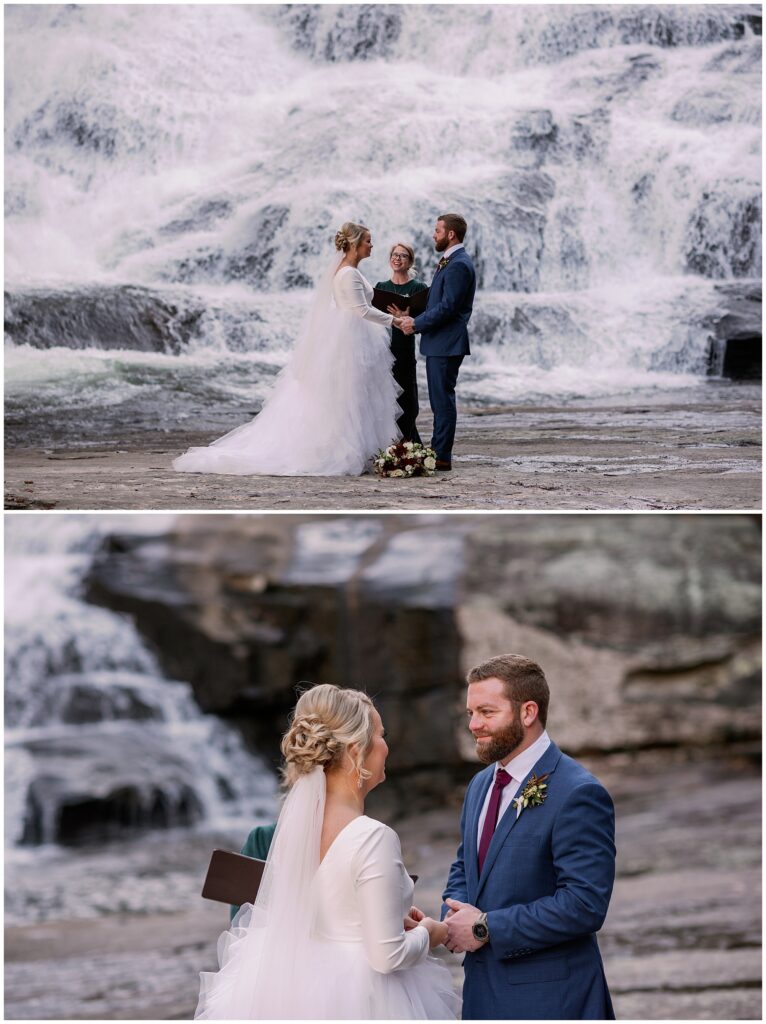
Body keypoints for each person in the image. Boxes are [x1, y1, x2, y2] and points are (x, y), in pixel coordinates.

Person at [196, 684, 459, 1019]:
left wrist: (387, 917)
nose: (386, 746)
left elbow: (323, 910)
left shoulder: (294, 835)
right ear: (355, 752)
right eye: (380, 735)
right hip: (365, 1001)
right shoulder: (372, 837)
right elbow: (387, 956)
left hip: (297, 993)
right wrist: (430, 932)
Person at [442, 654, 616, 1020]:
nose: (474, 724)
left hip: (553, 1002)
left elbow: (584, 904)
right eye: (470, 713)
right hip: (481, 996)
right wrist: (450, 918)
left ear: (528, 712)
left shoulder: (578, 792)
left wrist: (485, 927)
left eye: (487, 712)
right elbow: (465, 866)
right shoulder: (480, 784)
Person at [173, 223, 403, 477]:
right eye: (368, 241)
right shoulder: (348, 273)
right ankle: (341, 450)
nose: (372, 245)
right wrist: (396, 320)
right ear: (355, 244)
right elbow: (361, 310)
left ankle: (355, 449)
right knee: (348, 394)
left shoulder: (348, 270)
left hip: (349, 334)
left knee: (351, 394)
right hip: (352, 337)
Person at [400, 214, 476, 472]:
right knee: (439, 400)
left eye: (437, 230)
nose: (433, 235)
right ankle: (438, 451)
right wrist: (408, 314)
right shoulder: (451, 261)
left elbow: (448, 307)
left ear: (450, 234)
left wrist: (416, 324)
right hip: (440, 342)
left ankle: (441, 455)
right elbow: (437, 302)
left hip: (446, 343)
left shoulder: (458, 264)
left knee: (442, 401)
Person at [375, 242, 428, 444]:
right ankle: (387, 444)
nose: (397, 258)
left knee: (407, 401)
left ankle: (408, 445)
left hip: (405, 350)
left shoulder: (418, 288)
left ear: (410, 261)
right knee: (386, 399)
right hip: (383, 350)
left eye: (403, 256)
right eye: (395, 255)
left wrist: (407, 317)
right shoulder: (381, 287)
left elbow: (424, 320)